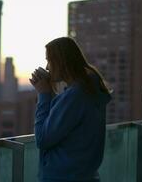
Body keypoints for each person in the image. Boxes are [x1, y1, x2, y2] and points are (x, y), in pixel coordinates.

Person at [29, 37, 112, 182]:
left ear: (61, 62)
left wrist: (43, 94)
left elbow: (42, 139)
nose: (47, 67)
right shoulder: (89, 90)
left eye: (49, 60)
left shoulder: (76, 95)